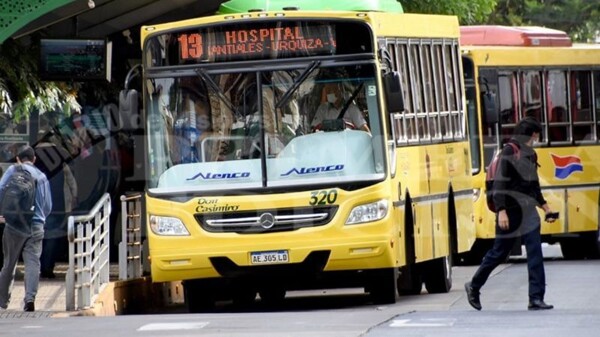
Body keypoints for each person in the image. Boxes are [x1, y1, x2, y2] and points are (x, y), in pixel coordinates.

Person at [465, 116, 557, 311]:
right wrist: (502, 211)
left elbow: (533, 184)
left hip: (529, 212)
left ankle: (536, 298)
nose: (537, 138)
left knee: (535, 253)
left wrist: (545, 207)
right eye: (537, 134)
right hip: (510, 212)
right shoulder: (509, 151)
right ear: (532, 134)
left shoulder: (531, 154)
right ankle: (474, 286)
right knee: (499, 253)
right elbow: (499, 184)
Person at [0, 145, 52, 312]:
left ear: (17, 159)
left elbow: (1, 189)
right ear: (34, 159)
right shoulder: (42, 177)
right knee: (32, 262)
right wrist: (41, 218)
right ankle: (30, 300)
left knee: (9, 263)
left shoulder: (12, 171)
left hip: (14, 223)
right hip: (36, 224)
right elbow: (48, 205)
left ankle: (2, 301)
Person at [35, 138, 78, 279]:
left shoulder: (33, 156)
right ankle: (47, 267)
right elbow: (71, 180)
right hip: (57, 205)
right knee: (53, 237)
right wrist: (74, 198)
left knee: (37, 237)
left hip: (36, 206)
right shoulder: (61, 154)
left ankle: (39, 266)